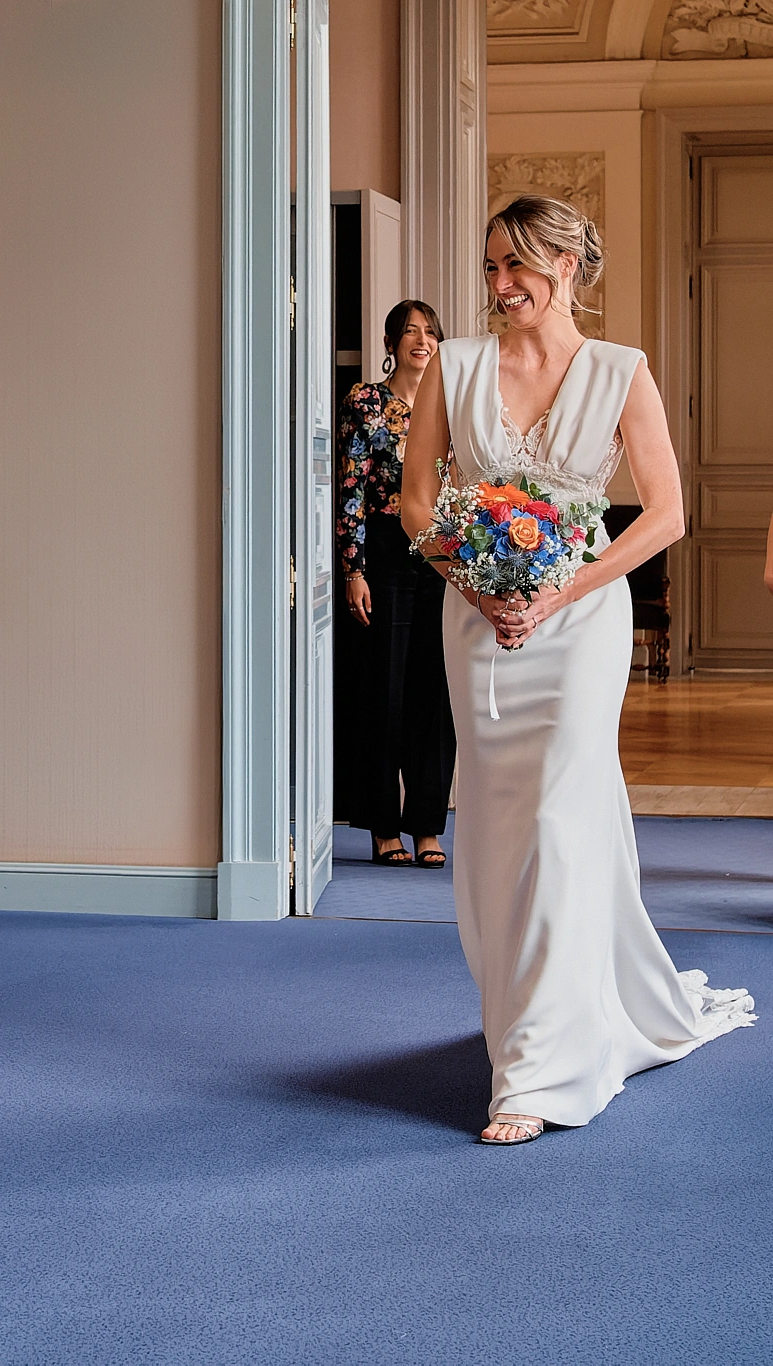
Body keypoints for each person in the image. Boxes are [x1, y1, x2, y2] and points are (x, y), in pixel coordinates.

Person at [400, 195, 756, 1146]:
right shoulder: (458, 366)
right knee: (496, 819)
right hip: (477, 617)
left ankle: (540, 1073)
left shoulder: (619, 371)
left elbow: (665, 514)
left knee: (560, 811)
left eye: (517, 266)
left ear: (567, 269)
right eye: (490, 268)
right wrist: (474, 582)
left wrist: (560, 592)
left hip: (582, 617)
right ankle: (519, 1016)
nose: (500, 286)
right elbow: (415, 498)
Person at [336, 300, 454, 869]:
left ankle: (428, 825)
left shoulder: (451, 405)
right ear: (391, 342)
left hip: (437, 554)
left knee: (434, 693)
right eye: (411, 332)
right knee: (383, 689)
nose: (422, 341)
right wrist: (353, 568)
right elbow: (351, 487)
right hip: (382, 552)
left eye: (431, 333)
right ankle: (385, 827)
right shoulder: (366, 401)